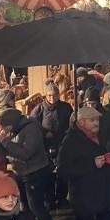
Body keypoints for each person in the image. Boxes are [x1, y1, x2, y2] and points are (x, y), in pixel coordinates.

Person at [0, 109, 59, 220]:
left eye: (5, 126)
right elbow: (5, 154)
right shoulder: (12, 130)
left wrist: (6, 143)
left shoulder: (31, 128)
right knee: (26, 207)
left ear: (12, 123)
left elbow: (26, 153)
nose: (3, 130)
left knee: (36, 206)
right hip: (20, 172)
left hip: (35, 172)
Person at [29, 81, 73, 210]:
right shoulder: (38, 110)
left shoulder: (66, 108)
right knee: (48, 175)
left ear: (58, 95)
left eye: (54, 95)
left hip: (63, 145)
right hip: (45, 147)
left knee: (63, 173)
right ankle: (49, 199)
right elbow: (32, 125)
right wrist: (43, 133)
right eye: (49, 95)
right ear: (45, 96)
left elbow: (72, 122)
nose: (52, 98)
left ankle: (61, 198)